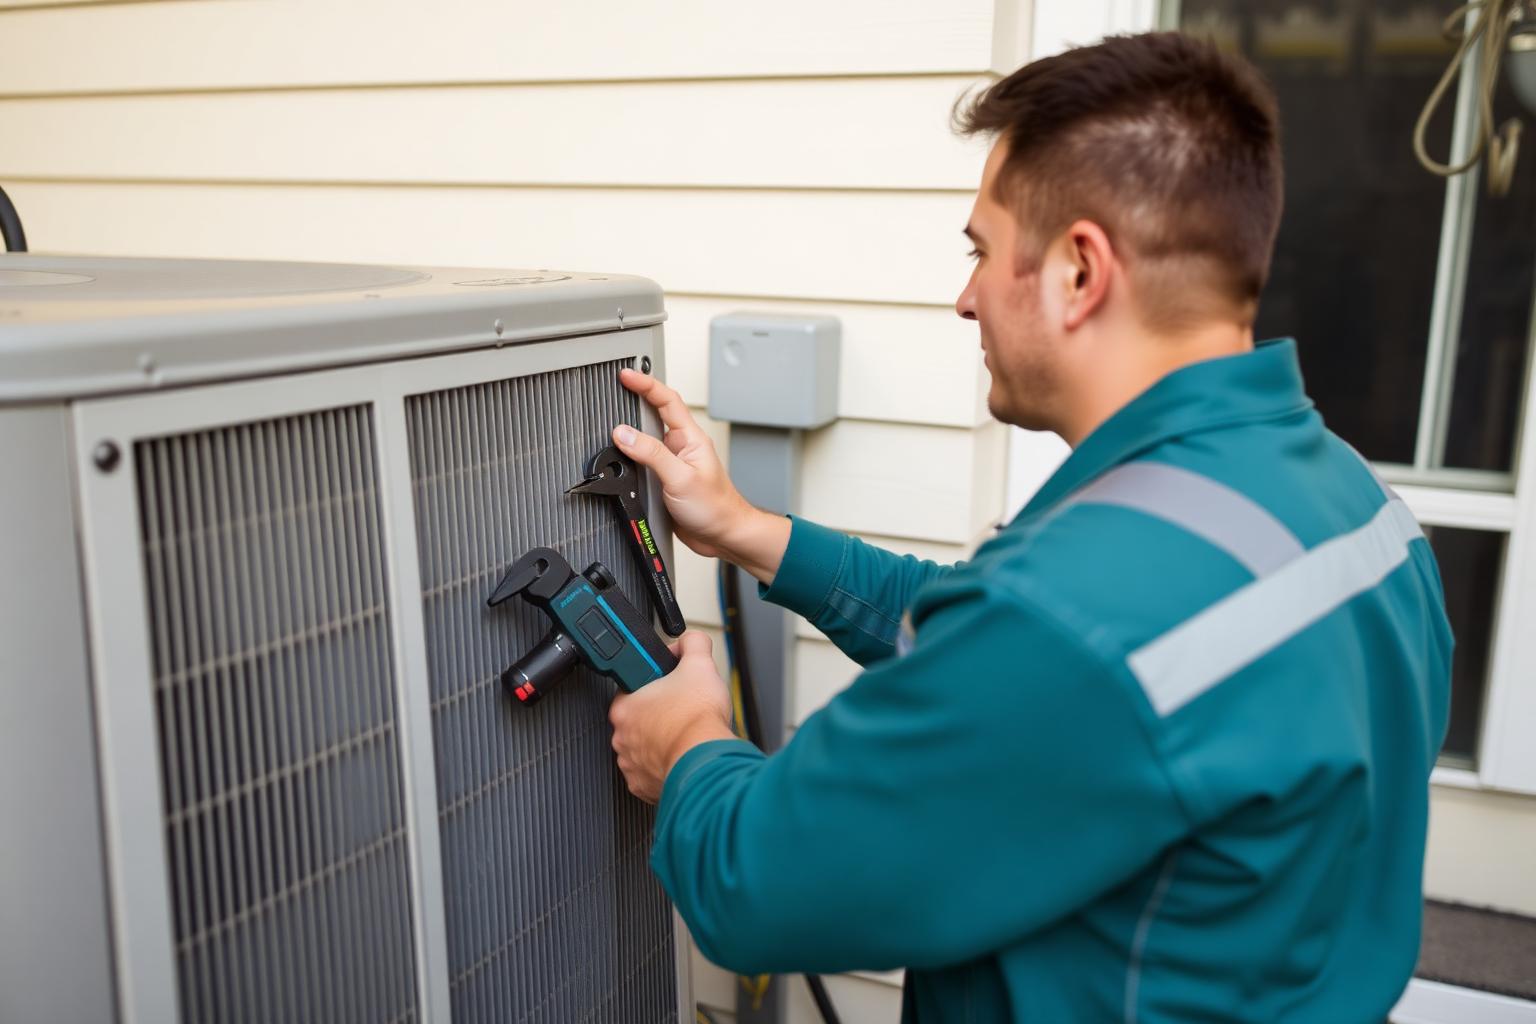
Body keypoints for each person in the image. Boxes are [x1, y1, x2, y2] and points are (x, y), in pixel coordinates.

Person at [606, 31, 1452, 1023]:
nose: (966, 299)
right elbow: (993, 639)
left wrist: (688, 743)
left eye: (982, 251)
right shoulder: (1355, 506)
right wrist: (750, 531)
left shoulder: (1078, 611)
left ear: (1079, 271)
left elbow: (757, 884)